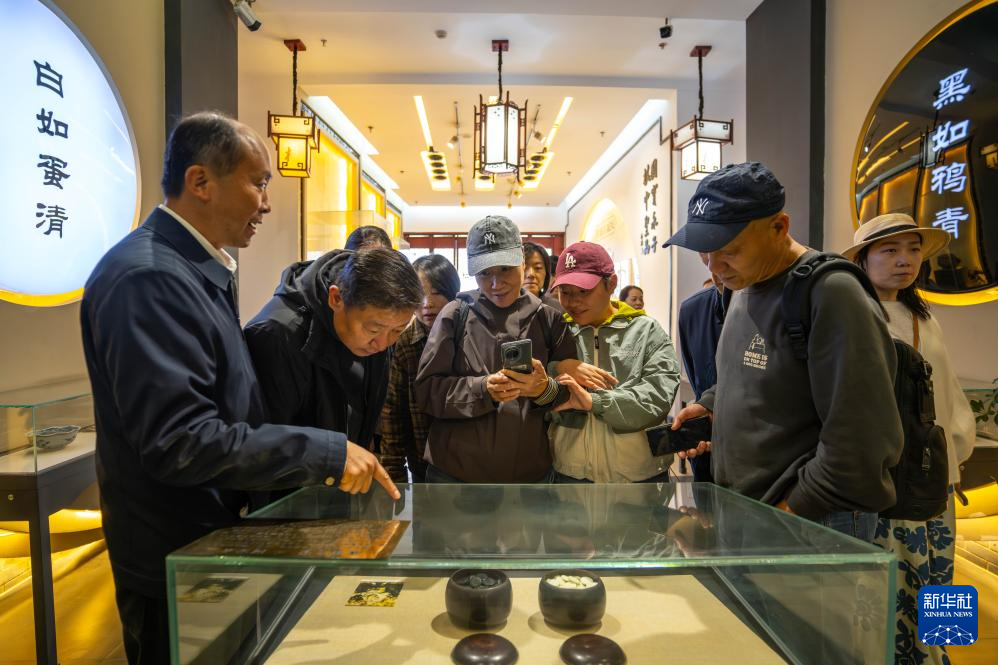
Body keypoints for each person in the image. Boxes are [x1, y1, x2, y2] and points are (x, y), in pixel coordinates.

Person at [80, 112, 398, 665]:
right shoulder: (150, 277)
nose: (267, 204)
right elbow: (179, 441)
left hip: (210, 539)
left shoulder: (195, 268)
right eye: (259, 183)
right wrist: (325, 450)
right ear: (201, 181)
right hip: (172, 547)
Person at [666, 162, 903, 541]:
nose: (715, 268)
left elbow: (861, 438)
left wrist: (791, 510)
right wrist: (712, 405)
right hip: (751, 515)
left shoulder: (831, 292)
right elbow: (761, 374)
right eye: (704, 253)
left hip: (808, 521)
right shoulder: (742, 285)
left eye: (729, 251)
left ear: (779, 227)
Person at [843, 213, 975, 665]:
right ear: (862, 260)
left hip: (937, 475)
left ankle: (941, 655)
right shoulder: (857, 317)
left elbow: (951, 393)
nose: (905, 260)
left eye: (914, 249)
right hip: (889, 481)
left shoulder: (924, 315)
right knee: (893, 584)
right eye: (890, 250)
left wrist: (954, 456)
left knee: (941, 575)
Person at [415, 215, 576, 483]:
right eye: (484, 272)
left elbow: (572, 396)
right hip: (455, 477)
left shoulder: (549, 319)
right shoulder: (455, 315)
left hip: (529, 478)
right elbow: (427, 391)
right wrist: (482, 389)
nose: (495, 283)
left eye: (504, 269)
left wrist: (543, 389)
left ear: (522, 262)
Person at [244, 247, 422, 459]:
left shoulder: (377, 332)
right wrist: (334, 458)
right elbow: (259, 445)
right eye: (373, 330)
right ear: (336, 298)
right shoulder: (277, 335)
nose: (383, 344)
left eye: (397, 331)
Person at [547, 242, 680, 483]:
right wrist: (557, 368)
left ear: (611, 284)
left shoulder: (646, 331)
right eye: (565, 292)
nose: (573, 301)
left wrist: (595, 402)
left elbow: (659, 396)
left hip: (638, 474)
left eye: (583, 291)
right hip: (571, 472)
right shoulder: (558, 332)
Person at [380, 254, 461, 483]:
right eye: (420, 294)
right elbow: (394, 411)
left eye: (436, 292)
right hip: (422, 463)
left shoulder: (469, 333)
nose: (427, 303)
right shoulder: (405, 342)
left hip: (468, 463)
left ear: (452, 292)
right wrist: (394, 471)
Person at [675, 257, 729, 482]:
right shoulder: (693, 311)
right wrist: (707, 406)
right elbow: (699, 378)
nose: (714, 266)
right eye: (707, 255)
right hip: (709, 459)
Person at [522, 241, 562, 310]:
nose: (531, 274)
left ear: (546, 273)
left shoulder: (558, 310)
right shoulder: (504, 308)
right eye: (524, 268)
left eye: (538, 268)